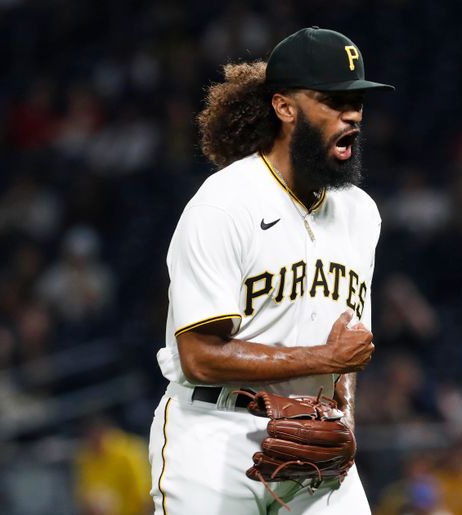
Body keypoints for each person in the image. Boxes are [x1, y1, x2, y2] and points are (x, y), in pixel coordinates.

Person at [147, 27, 393, 515]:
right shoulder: (224, 204)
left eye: (358, 103)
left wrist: (344, 414)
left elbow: (346, 344)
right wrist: (325, 358)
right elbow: (198, 356)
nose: (352, 116)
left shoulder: (361, 213)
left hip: (317, 440)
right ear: (285, 108)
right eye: (332, 101)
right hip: (215, 435)